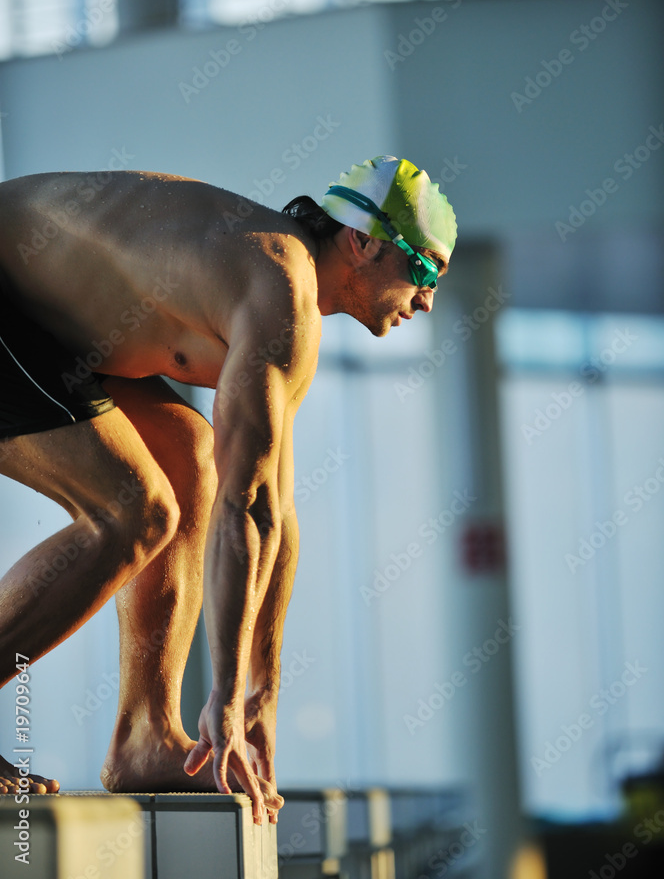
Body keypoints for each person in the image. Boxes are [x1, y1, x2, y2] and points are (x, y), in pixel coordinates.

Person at [0, 155, 456, 823]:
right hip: (14, 296)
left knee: (191, 465)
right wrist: (223, 694)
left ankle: (146, 737)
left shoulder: (287, 295)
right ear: (361, 242)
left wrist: (258, 697)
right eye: (422, 270)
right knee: (132, 512)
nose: (427, 300)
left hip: (45, 317)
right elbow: (250, 511)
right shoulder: (278, 287)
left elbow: (273, 510)